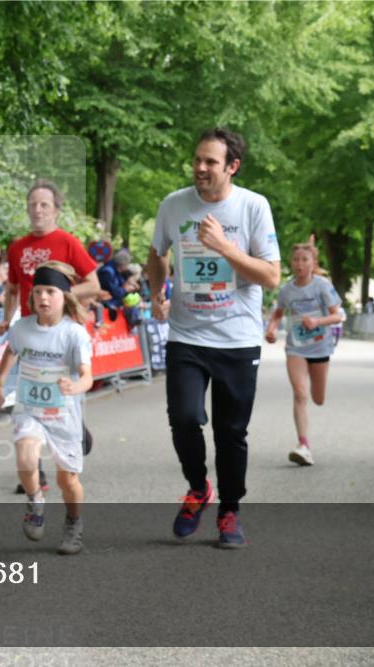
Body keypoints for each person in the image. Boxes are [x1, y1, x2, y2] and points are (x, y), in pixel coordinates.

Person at [146, 128, 280, 548]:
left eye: (210, 162)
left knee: (230, 431)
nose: (200, 168)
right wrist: (156, 292)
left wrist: (224, 247)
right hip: (187, 333)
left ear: (232, 167)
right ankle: (198, 486)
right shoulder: (173, 205)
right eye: (197, 160)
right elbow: (157, 253)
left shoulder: (253, 206)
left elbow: (272, 276)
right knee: (184, 417)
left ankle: (230, 509)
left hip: (238, 337)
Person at [0, 261, 93, 555]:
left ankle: (74, 523)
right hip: (29, 408)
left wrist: (76, 386)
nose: (43, 298)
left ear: (65, 296)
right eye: (37, 292)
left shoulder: (74, 333)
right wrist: (0, 384)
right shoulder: (22, 328)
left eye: (50, 291)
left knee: (68, 480)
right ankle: (35, 501)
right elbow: (11, 351)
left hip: (63, 414)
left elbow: (87, 374)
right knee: (26, 457)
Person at [264, 243, 342, 466]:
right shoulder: (287, 290)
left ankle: (304, 441)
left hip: (320, 347)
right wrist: (271, 330)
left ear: (313, 263)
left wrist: (317, 321)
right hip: (296, 347)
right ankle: (303, 445)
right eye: (296, 259)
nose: (300, 264)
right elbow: (278, 314)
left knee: (318, 398)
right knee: (300, 394)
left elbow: (338, 316)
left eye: (304, 260)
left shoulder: (322, 287)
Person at [0, 180, 100, 334]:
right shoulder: (17, 248)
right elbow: (12, 290)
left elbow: (93, 286)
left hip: (62, 326)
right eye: (33, 205)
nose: (37, 210)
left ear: (56, 211)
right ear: (27, 210)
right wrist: (6, 320)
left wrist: (60, 294)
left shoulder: (69, 242)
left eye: (44, 205)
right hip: (29, 325)